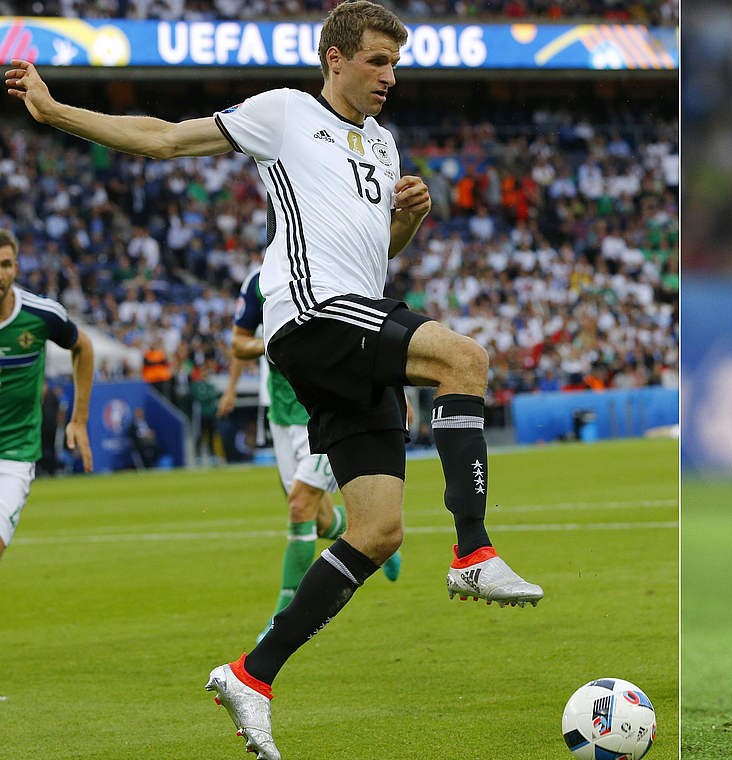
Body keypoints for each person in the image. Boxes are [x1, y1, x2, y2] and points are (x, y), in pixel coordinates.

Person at [5, 3, 542, 757]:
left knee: (378, 530)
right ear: (335, 57)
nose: (390, 77)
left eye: (395, 63)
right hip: (312, 317)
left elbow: (375, 260)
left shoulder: (384, 147)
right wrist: (54, 110)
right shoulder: (284, 113)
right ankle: (473, 552)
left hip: (353, 310)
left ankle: (252, 676)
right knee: (465, 358)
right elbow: (162, 139)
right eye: (377, 61)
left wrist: (408, 221)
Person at [222, 267, 401, 642]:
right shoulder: (259, 283)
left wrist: (393, 388)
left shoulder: (326, 270)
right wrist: (271, 342)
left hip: (324, 411)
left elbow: (370, 330)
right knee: (316, 520)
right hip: (281, 418)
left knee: (299, 504)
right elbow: (238, 343)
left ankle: (280, 618)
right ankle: (374, 538)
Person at [0, 229, 94, 562]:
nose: (1, 274)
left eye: (7, 265)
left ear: (16, 267)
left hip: (13, 453)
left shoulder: (40, 315)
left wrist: (79, 420)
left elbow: (82, 346)